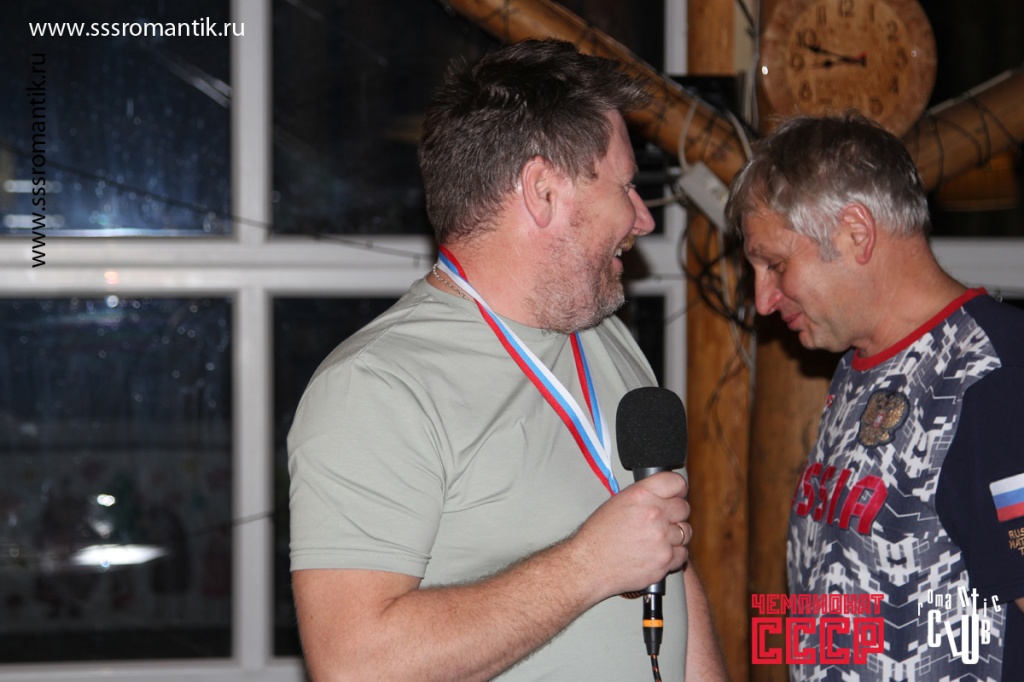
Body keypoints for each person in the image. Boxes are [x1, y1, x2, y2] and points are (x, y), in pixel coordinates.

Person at [287, 39, 727, 681]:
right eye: (627, 186)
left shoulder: (607, 337)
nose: (643, 220)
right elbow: (355, 665)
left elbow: (668, 553)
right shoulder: (375, 386)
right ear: (542, 191)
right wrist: (589, 565)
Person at [726, 113, 1024, 680]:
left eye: (776, 264)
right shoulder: (857, 371)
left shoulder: (992, 373)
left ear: (856, 233)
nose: (763, 300)